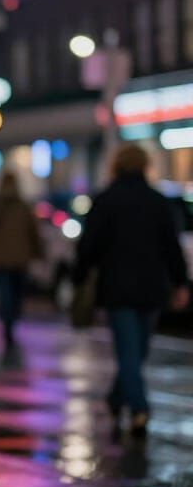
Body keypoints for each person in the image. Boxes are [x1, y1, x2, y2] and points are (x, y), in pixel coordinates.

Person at [74, 144, 189, 436]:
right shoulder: (158, 202)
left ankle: (118, 397)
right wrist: (179, 283)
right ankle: (139, 408)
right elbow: (171, 247)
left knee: (130, 352)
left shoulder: (106, 201)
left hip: (117, 287)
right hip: (152, 288)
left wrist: (79, 278)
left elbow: (89, 247)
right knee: (135, 351)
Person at [0, 171, 43, 349]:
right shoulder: (23, 206)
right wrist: (37, 253)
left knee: (1, 293)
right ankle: (10, 326)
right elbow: (33, 233)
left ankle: (2, 325)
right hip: (20, 259)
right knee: (15, 295)